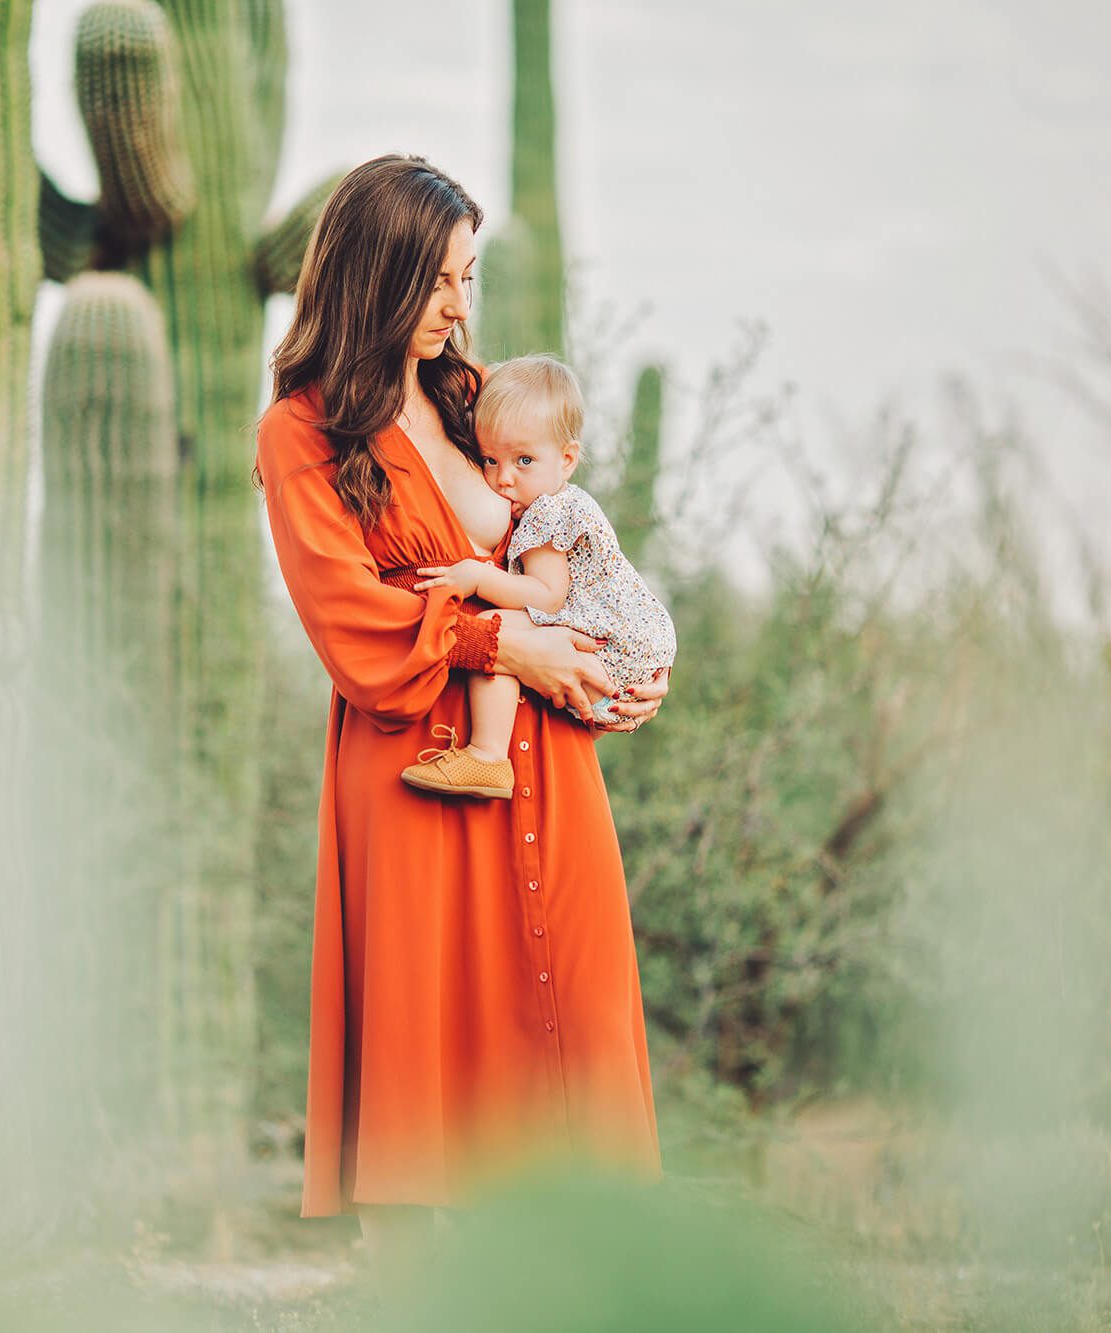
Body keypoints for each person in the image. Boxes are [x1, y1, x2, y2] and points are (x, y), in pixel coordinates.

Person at [251, 153, 669, 1298]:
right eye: (440, 280)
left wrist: (617, 666)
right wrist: (502, 645)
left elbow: (566, 552)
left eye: (469, 277)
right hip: (417, 774)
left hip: (551, 767)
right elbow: (349, 621)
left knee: (573, 1046)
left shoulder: (469, 398)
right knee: (422, 1085)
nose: (458, 306)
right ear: (378, 278)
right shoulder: (302, 434)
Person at [401, 354, 678, 799]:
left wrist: (475, 577)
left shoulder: (548, 514)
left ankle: (488, 756)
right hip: (633, 650)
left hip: (614, 650)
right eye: (489, 460)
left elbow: (546, 597)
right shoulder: (563, 502)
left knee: (496, 630)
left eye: (524, 460)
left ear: (567, 460)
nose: (503, 478)